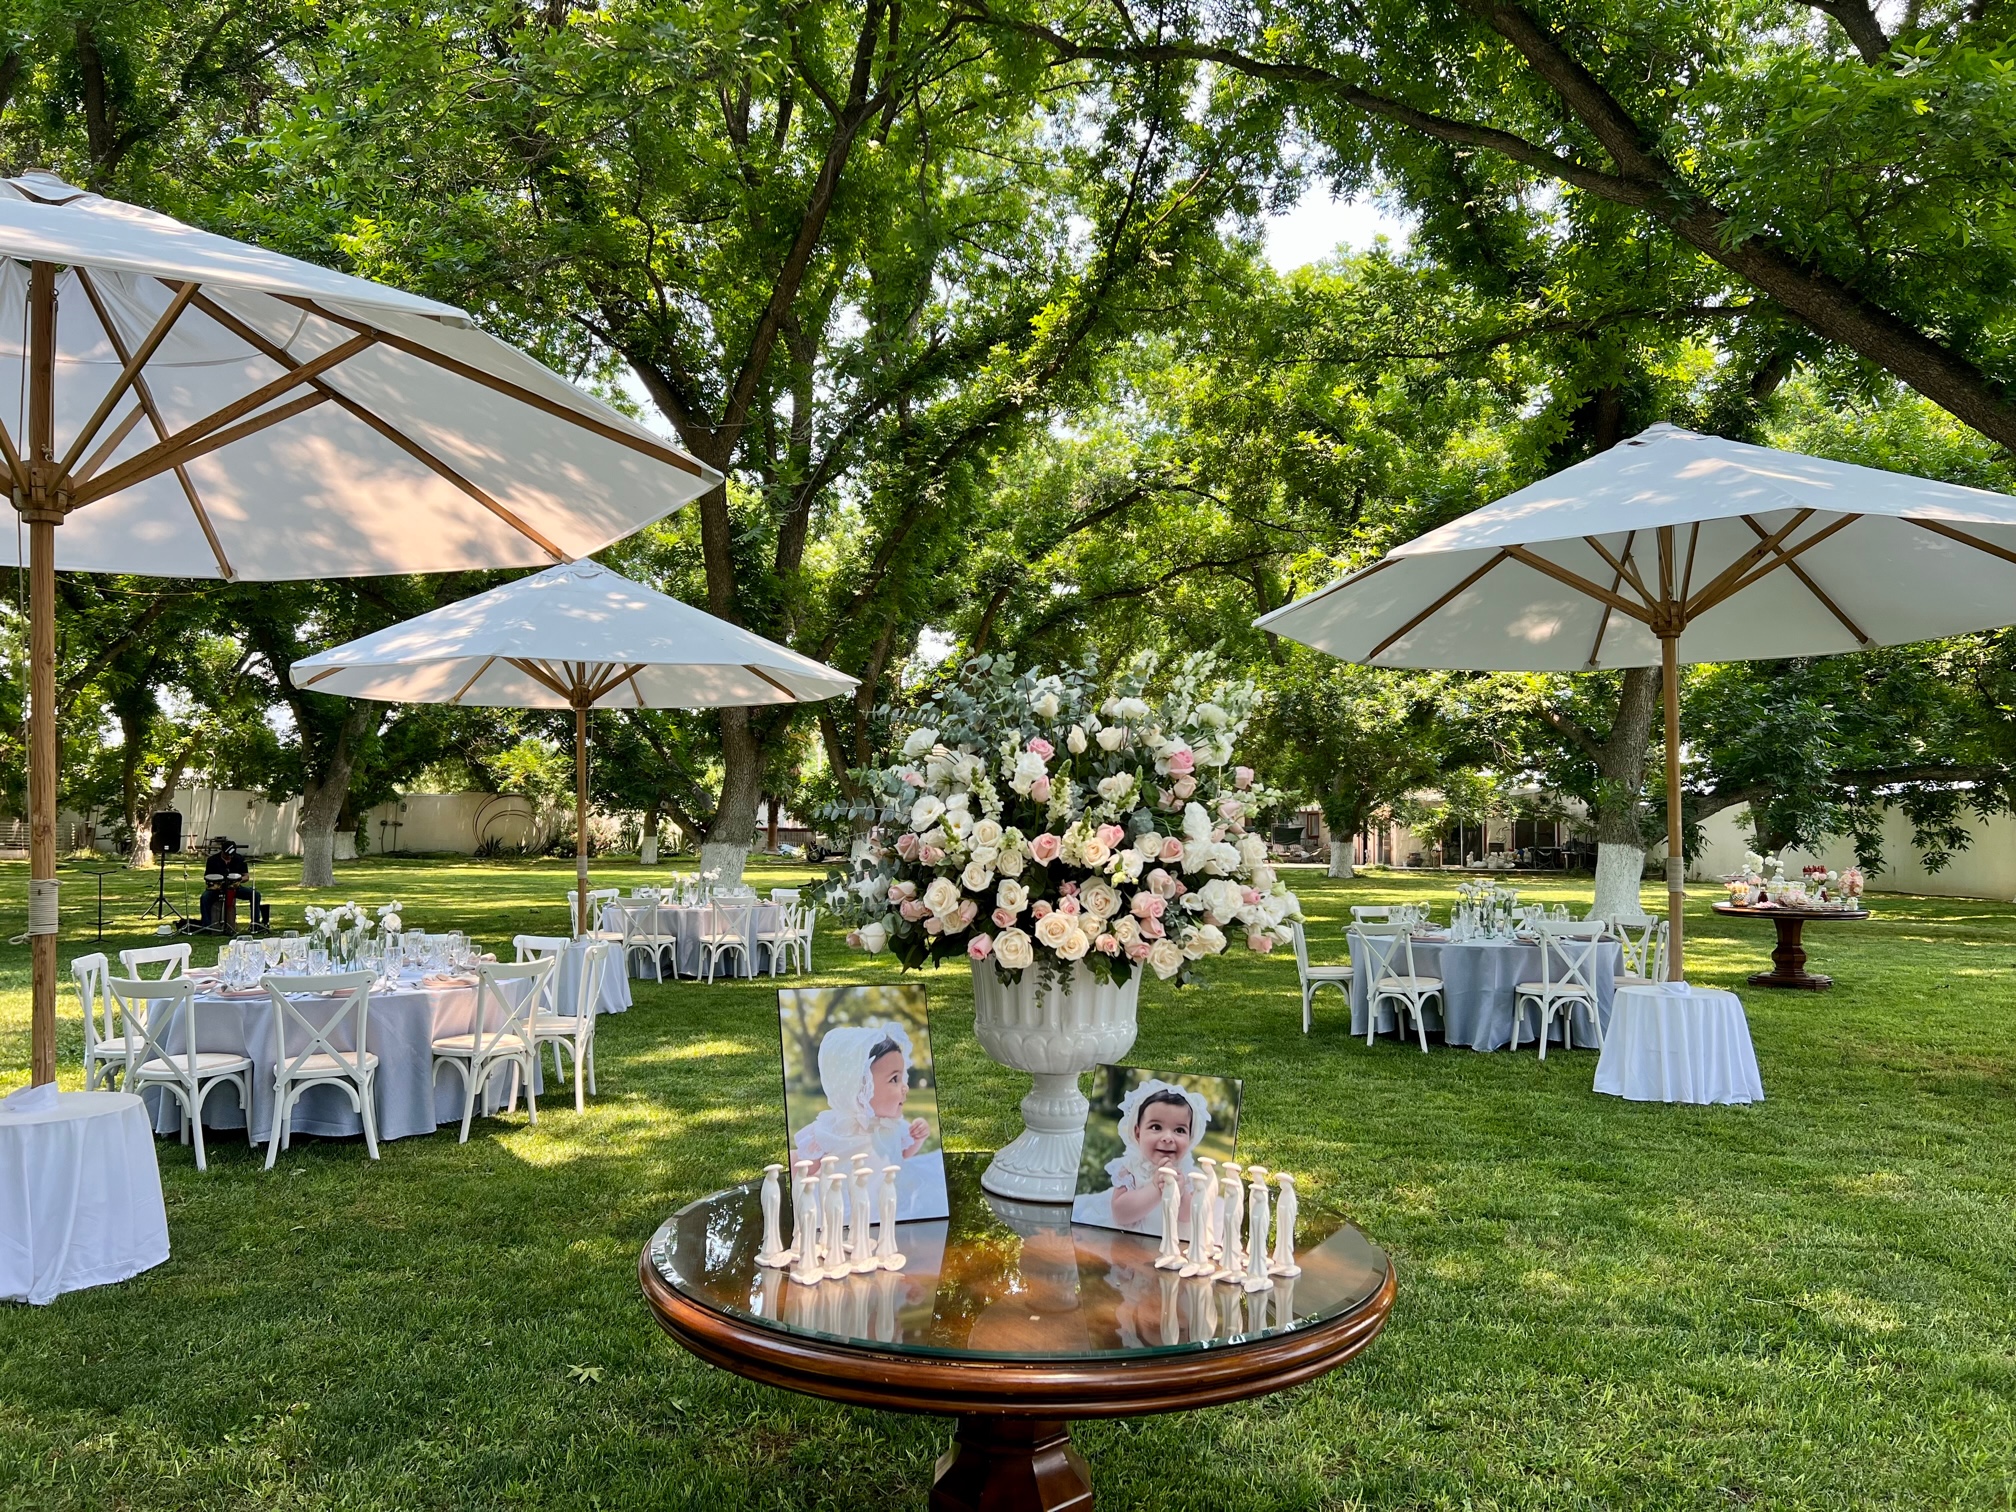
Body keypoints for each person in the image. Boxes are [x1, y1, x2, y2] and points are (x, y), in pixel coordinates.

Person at [792, 1021, 943, 1219]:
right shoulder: (832, 1130)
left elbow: (902, 1155)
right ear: (860, 1087)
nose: (905, 1086)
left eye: (901, 1077)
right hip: (849, 1207)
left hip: (893, 1197)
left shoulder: (892, 1125)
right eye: (894, 1079)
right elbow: (803, 1166)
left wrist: (917, 1138)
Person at [1072, 1079, 1211, 1236]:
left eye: (1179, 1130)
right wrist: (1155, 1188)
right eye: (1156, 1127)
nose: (1168, 1137)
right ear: (1138, 1133)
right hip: (1129, 1236)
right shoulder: (1131, 1167)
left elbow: (1189, 1217)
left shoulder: (1188, 1175)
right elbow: (1120, 1214)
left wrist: (1181, 1194)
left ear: (1190, 1137)